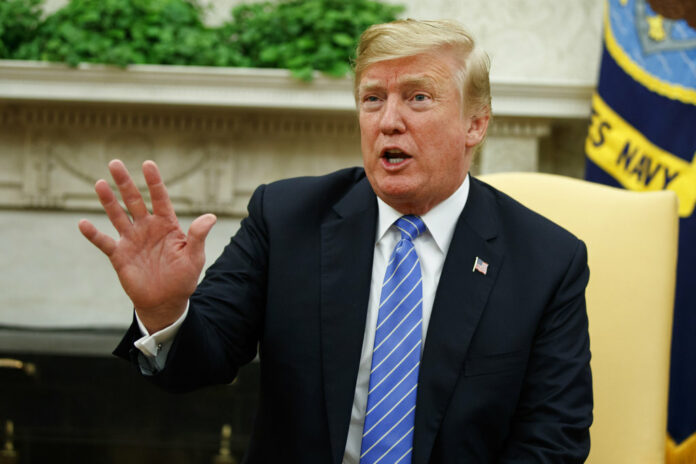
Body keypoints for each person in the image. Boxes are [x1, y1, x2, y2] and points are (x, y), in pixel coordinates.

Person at [79, 19, 592, 464]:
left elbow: (554, 440)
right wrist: (166, 310)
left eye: (418, 97)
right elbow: (202, 360)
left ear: (475, 124)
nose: (389, 120)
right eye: (373, 98)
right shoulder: (286, 219)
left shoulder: (547, 261)